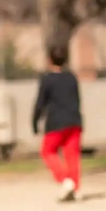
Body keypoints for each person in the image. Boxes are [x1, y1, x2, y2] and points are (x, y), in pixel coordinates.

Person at [33, 46, 83, 201]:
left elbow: (40, 103)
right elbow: (77, 99)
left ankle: (65, 180)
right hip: (74, 121)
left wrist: (34, 121)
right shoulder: (72, 77)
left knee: (47, 151)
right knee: (72, 155)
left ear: (49, 60)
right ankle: (74, 187)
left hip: (56, 122)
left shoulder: (48, 79)